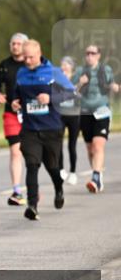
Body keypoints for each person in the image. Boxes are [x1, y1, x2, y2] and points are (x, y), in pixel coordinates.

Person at [10, 39, 74, 221]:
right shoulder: (21, 72)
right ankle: (32, 205)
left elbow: (71, 93)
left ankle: (59, 188)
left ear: (39, 54)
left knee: (52, 166)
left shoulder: (53, 72)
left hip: (51, 128)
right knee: (32, 165)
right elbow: (16, 94)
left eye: (31, 57)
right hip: (30, 129)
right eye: (25, 57)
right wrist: (15, 102)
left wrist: (51, 97)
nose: (27, 61)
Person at [73, 44, 118, 193]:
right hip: (85, 112)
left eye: (93, 53)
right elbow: (70, 90)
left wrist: (114, 87)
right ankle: (97, 174)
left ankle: (96, 177)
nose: (89, 56)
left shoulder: (106, 70)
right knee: (90, 148)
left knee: (98, 145)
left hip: (102, 111)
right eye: (87, 53)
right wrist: (80, 83)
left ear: (99, 55)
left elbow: (112, 84)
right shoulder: (80, 71)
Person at [0, 33, 28, 206]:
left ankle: (34, 186)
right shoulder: (4, 65)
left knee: (32, 152)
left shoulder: (32, 63)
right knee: (15, 151)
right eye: (12, 43)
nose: (15, 46)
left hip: (32, 114)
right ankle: (16, 191)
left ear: (25, 45)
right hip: (11, 114)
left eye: (18, 43)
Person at [57, 56, 82, 186]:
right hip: (60, 115)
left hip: (74, 115)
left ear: (72, 67)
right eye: (62, 64)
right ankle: (61, 169)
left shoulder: (78, 79)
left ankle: (72, 172)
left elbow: (80, 95)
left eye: (67, 64)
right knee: (58, 143)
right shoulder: (58, 80)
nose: (64, 67)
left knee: (72, 145)